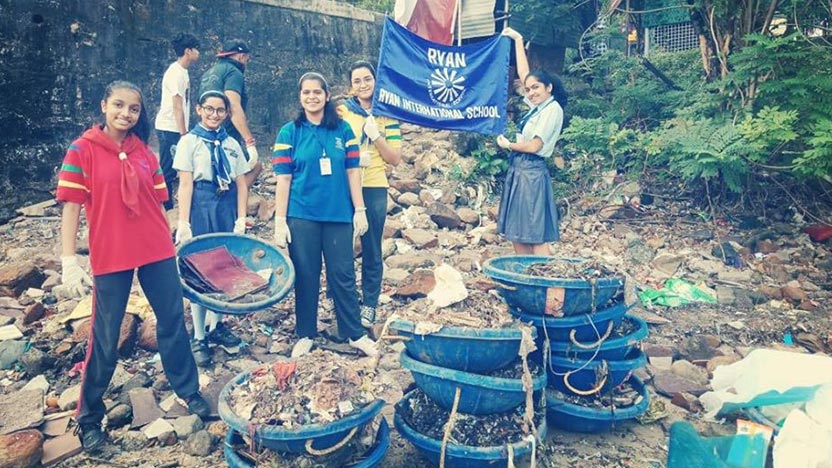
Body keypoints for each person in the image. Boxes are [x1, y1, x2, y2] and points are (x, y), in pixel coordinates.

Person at [57, 81, 209, 452]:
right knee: (105, 336)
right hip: (112, 253)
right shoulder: (83, 150)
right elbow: (72, 205)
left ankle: (188, 390)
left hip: (155, 248)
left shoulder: (145, 153)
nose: (126, 114)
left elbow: (158, 202)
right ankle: (89, 417)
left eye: (134, 109)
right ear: (104, 105)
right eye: (119, 106)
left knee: (173, 320)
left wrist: (175, 234)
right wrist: (68, 259)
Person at [272, 72, 378, 358]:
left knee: (342, 274)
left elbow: (352, 172)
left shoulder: (343, 131)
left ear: (327, 95)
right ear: (300, 97)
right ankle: (306, 332)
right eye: (306, 92)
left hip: (338, 214)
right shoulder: (289, 132)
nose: (311, 97)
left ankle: (353, 332)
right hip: (301, 214)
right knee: (306, 275)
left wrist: (360, 209)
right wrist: (280, 220)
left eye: (317, 92)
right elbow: (283, 179)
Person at [173, 90, 250, 366]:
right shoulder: (189, 142)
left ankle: (216, 326)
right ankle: (199, 335)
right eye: (209, 109)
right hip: (201, 203)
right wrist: (183, 221)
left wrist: (241, 217)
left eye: (220, 110)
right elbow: (185, 183)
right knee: (200, 268)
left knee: (224, 266)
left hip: (226, 203)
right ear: (198, 109)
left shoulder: (230, 143)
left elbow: (242, 183)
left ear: (227, 113)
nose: (214, 114)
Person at [335, 60, 402, 327]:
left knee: (372, 245)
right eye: (357, 81)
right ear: (351, 86)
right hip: (343, 183)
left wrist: (376, 136)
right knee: (340, 244)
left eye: (368, 79)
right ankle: (343, 299)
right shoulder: (341, 112)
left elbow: (395, 158)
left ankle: (370, 303)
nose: (363, 85)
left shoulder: (387, 114)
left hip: (374, 183)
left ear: (376, 81)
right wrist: (350, 157)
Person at [495, 28, 567, 255]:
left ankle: (545, 281)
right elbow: (526, 74)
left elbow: (535, 146)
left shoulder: (552, 109)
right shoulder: (539, 106)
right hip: (520, 169)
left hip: (532, 171)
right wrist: (518, 41)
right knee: (516, 232)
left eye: (536, 87)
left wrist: (508, 145)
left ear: (549, 88)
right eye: (528, 89)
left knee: (534, 233)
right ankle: (526, 279)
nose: (531, 92)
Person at [198, 39, 262, 188]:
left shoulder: (209, 72)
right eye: (247, 58)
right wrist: (249, 141)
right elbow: (233, 105)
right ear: (241, 56)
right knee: (254, 166)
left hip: (205, 132)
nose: (247, 62)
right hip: (226, 134)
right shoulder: (234, 72)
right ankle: (235, 201)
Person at [154, 33, 200, 211]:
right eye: (196, 49)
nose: (198, 53)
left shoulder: (183, 72)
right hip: (169, 127)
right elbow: (177, 106)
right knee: (167, 168)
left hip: (175, 127)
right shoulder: (175, 73)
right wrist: (183, 134)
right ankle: (165, 207)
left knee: (176, 167)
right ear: (188, 51)